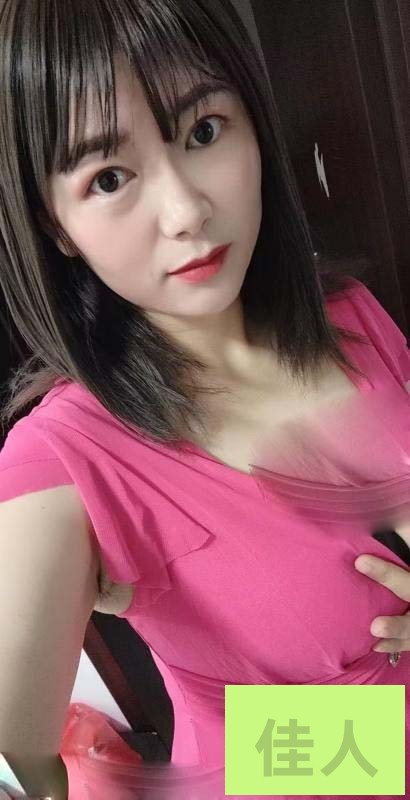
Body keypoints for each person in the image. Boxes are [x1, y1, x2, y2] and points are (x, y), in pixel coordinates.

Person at [0, 1, 409, 798]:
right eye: (108, 178)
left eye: (204, 131)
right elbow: (15, 746)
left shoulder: (352, 315)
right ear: (57, 225)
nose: (187, 211)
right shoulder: (63, 460)